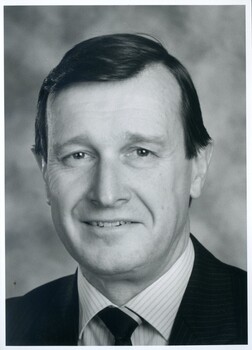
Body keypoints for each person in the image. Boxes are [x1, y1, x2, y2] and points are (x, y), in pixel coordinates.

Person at [6, 33, 247, 345]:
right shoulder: (10, 327)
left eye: (141, 152)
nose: (106, 195)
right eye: (78, 155)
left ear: (197, 167)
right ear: (44, 170)